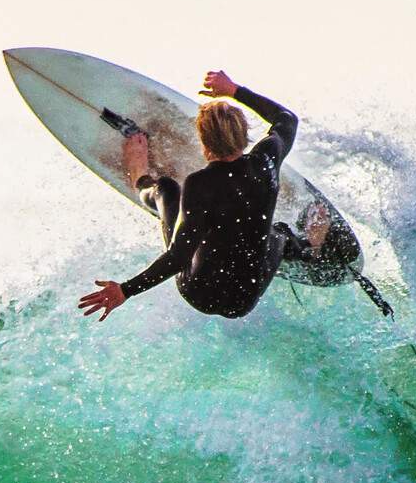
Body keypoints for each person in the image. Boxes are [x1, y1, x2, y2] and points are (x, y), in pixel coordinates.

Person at [78, 70, 323, 322]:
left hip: (200, 294)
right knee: (279, 232)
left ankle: (140, 178)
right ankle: (308, 248)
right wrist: (233, 90)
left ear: (204, 144)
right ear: (244, 134)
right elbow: (286, 119)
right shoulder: (266, 159)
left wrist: (126, 290)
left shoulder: (200, 185)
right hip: (246, 297)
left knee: (165, 188)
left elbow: (179, 257)